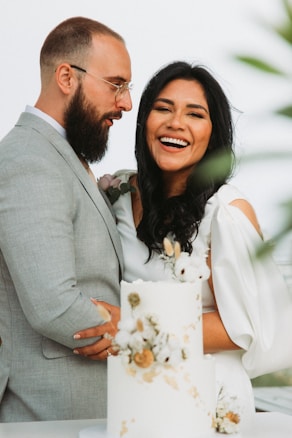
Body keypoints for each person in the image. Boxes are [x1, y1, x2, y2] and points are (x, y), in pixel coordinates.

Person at [75, 61, 292, 426]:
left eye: (195, 114)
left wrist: (129, 323)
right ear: (144, 121)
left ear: (214, 134)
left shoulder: (225, 213)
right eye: (163, 109)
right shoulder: (117, 197)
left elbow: (241, 329)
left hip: (207, 401)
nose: (176, 123)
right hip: (134, 397)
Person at [0, 16, 132, 422]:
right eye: (116, 85)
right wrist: (142, 330)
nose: (126, 103)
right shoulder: (29, 160)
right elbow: (55, 307)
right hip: (49, 417)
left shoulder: (62, 155)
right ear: (66, 77)